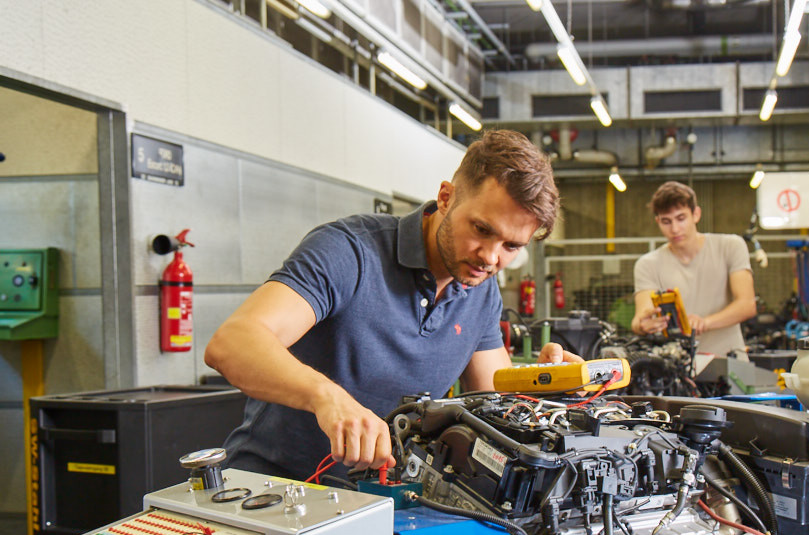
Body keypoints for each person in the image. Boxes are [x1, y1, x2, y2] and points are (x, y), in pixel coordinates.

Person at [205, 129, 574, 479]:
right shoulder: (351, 251)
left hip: (383, 499)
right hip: (276, 490)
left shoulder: (481, 289)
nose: (490, 257)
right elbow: (233, 343)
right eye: (481, 229)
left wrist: (548, 389)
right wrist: (327, 398)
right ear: (446, 197)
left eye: (511, 246)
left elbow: (494, 401)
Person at [630, 181, 757, 357]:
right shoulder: (647, 264)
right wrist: (643, 325)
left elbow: (747, 304)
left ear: (696, 214)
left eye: (681, 218)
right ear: (657, 221)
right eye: (666, 221)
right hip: (678, 367)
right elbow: (640, 317)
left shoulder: (731, 246)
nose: (674, 229)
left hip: (730, 362)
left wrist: (705, 322)